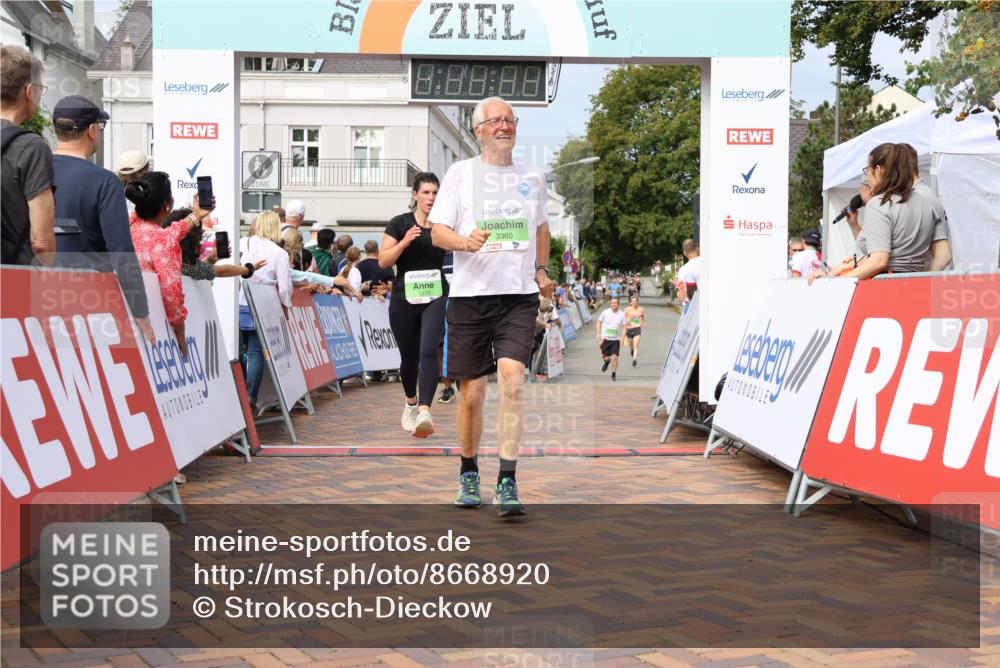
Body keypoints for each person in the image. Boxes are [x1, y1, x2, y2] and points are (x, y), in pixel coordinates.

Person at [430, 95, 553, 516]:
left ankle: (507, 479)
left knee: (514, 381)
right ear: (478, 130)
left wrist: (540, 270)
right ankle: (468, 471)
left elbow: (541, 228)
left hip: (517, 297)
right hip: (469, 298)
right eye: (495, 120)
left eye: (510, 120)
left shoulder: (532, 176)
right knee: (472, 395)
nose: (504, 126)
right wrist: (465, 242)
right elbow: (437, 233)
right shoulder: (460, 174)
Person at [51, 95, 152, 340]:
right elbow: (121, 251)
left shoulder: (30, 171)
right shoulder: (103, 181)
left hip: (33, 292)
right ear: (93, 130)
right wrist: (141, 312)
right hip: (89, 302)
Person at [810, 142, 952, 282]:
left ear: (878, 170)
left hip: (885, 288)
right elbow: (944, 255)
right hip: (916, 286)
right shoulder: (927, 204)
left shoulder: (879, 204)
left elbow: (879, 260)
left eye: (868, 169)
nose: (868, 175)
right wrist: (919, 278)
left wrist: (835, 281)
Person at [380, 172, 448, 438]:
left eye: (435, 193)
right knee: (409, 358)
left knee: (429, 349)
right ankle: (410, 401)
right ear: (415, 195)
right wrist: (405, 241)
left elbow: (460, 246)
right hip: (403, 298)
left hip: (435, 294)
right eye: (426, 193)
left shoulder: (443, 225)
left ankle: (424, 410)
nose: (431, 198)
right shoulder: (399, 223)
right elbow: (384, 262)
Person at [126, 172, 215, 356]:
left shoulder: (129, 224)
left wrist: (197, 214)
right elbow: (171, 291)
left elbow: (175, 230)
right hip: (151, 332)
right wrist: (180, 330)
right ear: (167, 204)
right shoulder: (163, 241)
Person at [1, 45, 55, 266]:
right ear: (29, 91)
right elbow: (42, 241)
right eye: (41, 88)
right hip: (12, 281)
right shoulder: (31, 148)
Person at [238, 211, 293, 408]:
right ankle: (251, 398)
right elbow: (285, 287)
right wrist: (286, 307)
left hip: (236, 303)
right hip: (262, 307)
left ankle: (238, 395)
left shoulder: (241, 243)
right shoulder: (279, 253)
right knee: (256, 354)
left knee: (235, 353)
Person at [166, 208, 265, 281]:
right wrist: (248, 269)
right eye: (201, 233)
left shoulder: (163, 256)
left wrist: (211, 259)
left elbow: (203, 268)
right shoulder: (183, 267)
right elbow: (221, 271)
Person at [597, 296, 627, 382]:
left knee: (615, 357)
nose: (614, 304)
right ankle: (607, 361)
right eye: (612, 303)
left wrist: (623, 337)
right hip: (605, 338)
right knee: (606, 358)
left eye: (615, 303)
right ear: (610, 304)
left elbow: (625, 326)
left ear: (618, 304)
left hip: (615, 339)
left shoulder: (622, 314)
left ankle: (613, 373)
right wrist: (598, 334)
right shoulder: (605, 312)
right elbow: (599, 322)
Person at [623, 294, 645, 367]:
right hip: (629, 330)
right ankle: (632, 350)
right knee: (631, 346)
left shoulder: (641, 309)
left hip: (637, 329)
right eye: (632, 301)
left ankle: (634, 359)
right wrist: (626, 322)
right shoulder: (627, 309)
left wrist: (642, 322)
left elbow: (642, 316)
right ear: (630, 302)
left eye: (635, 301)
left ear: (637, 302)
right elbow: (623, 318)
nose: (634, 303)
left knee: (635, 345)